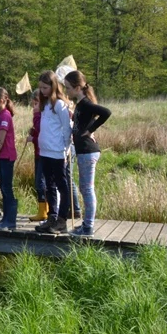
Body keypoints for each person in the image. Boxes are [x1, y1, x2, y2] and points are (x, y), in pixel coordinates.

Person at [64, 70, 111, 237]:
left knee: (87, 189)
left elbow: (106, 112)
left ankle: (88, 227)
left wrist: (90, 130)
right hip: (84, 152)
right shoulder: (80, 105)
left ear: (78, 88)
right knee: (85, 189)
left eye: (68, 88)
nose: (66, 91)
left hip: (88, 151)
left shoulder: (86, 104)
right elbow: (80, 123)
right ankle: (85, 224)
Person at [34, 70, 73, 234]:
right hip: (44, 152)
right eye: (41, 88)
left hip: (57, 152)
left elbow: (66, 129)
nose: (42, 91)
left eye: (45, 88)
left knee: (62, 186)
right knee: (49, 186)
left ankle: (62, 220)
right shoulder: (45, 105)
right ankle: (52, 217)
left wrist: (65, 150)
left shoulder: (60, 105)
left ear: (53, 86)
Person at [0, 87, 18, 230]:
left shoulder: (5, 116)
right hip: (0, 156)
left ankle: (10, 220)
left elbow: (0, 141)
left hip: (6, 156)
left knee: (6, 188)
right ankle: (5, 219)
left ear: (1, 101)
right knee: (3, 186)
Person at [27, 93, 48, 221]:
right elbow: (38, 130)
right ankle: (45, 209)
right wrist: (34, 131)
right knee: (40, 182)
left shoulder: (41, 114)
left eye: (36, 103)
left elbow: (43, 133)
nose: (34, 106)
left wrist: (33, 138)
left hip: (43, 152)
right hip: (38, 153)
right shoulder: (41, 114)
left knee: (40, 182)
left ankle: (44, 211)